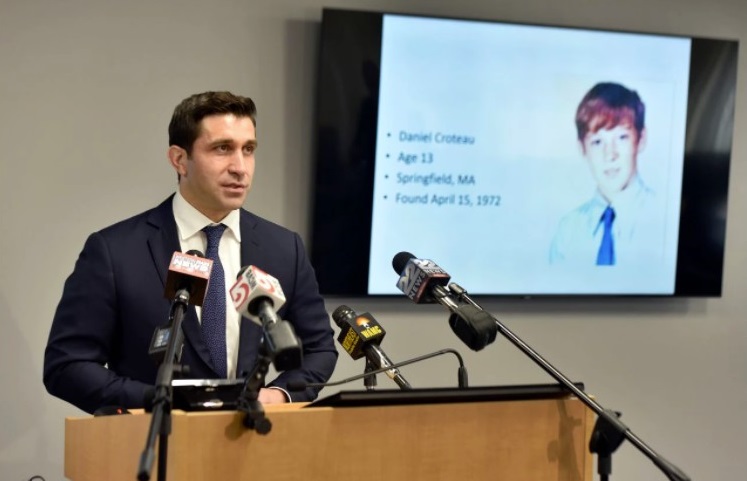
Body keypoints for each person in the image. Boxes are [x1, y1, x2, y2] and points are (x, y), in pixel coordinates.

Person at [43, 91, 338, 414]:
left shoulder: (284, 248)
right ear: (179, 160)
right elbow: (67, 365)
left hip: (254, 447)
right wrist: (154, 401)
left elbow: (320, 348)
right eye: (222, 148)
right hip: (155, 444)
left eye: (248, 150)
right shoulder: (115, 251)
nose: (240, 167)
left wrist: (278, 394)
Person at [549, 82, 665, 266]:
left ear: (641, 139)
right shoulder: (568, 231)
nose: (610, 154)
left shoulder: (665, 220)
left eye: (621, 138)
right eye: (597, 142)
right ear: (582, 149)